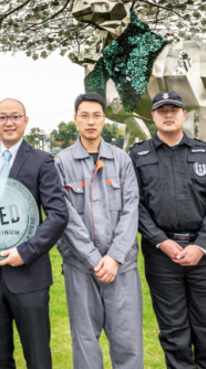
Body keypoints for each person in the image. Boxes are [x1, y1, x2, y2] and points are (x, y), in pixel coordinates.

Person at [0, 98, 69, 369]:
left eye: (15, 116)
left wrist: (26, 252)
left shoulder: (42, 160)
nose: (9, 122)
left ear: (25, 121)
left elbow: (58, 215)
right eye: (2, 117)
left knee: (38, 356)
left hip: (29, 275)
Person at [130, 91, 206, 369]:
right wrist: (161, 241)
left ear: (184, 115)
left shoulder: (204, 152)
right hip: (162, 257)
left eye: (174, 110)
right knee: (174, 335)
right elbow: (134, 205)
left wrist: (201, 245)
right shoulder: (138, 155)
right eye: (162, 110)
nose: (168, 115)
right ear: (153, 116)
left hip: (205, 256)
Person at [55, 93, 143, 369]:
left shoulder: (121, 160)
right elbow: (65, 217)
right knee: (85, 344)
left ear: (104, 119)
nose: (91, 121)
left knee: (128, 344)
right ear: (75, 119)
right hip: (80, 268)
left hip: (122, 267)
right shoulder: (61, 162)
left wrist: (114, 257)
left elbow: (131, 210)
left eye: (96, 115)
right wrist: (94, 259)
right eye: (85, 115)